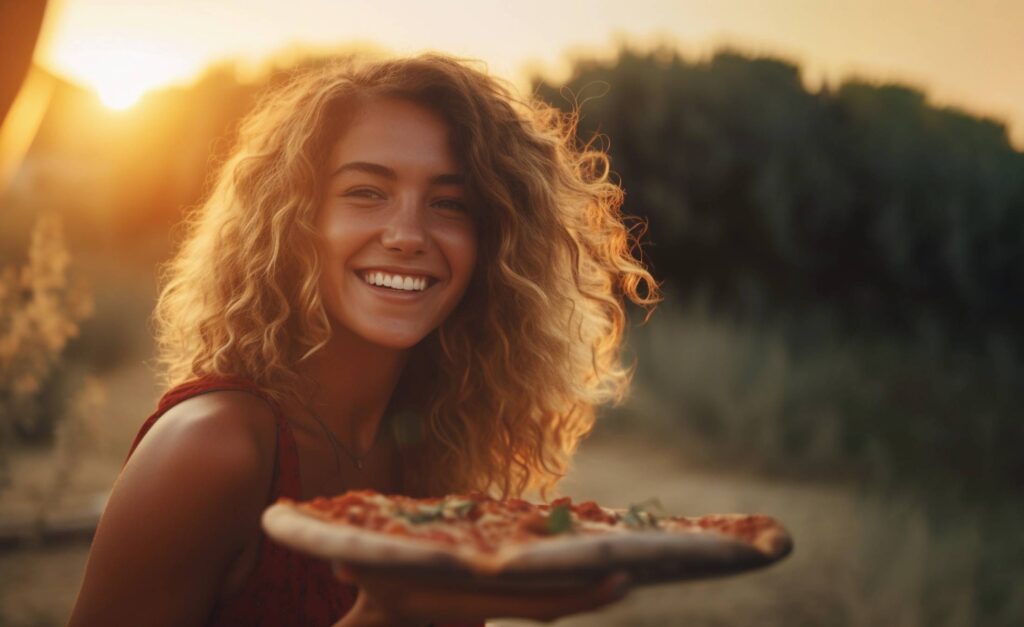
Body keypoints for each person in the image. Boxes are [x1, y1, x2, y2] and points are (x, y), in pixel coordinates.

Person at [67, 54, 659, 627]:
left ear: (495, 244)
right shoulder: (212, 450)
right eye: (366, 192)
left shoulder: (435, 447)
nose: (406, 235)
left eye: (449, 203)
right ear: (296, 219)